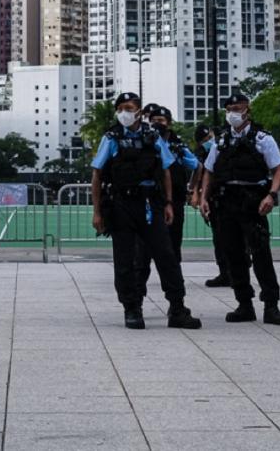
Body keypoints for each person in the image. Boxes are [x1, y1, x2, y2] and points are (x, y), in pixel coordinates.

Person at [90, 93, 202, 331]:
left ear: (139, 111)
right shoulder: (111, 138)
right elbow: (97, 175)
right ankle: (132, 309)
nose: (124, 113)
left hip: (151, 205)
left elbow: (166, 170)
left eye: (128, 108)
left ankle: (177, 308)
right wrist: (97, 212)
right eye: (120, 108)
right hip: (121, 205)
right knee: (125, 260)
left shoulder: (152, 137)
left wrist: (169, 203)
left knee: (167, 257)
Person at [198, 93, 280, 325]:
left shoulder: (262, 139)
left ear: (247, 109)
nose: (232, 113)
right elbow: (208, 170)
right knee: (234, 256)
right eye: (229, 109)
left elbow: (278, 168)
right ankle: (244, 304)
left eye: (237, 108)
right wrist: (203, 198)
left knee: (261, 255)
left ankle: (271, 305)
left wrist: (272, 195)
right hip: (227, 203)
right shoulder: (221, 141)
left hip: (253, 203)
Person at [137, 104, 200, 295]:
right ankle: (138, 292)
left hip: (175, 202)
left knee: (172, 247)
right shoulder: (142, 142)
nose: (158, 124)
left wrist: (192, 189)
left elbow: (197, 165)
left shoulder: (178, 146)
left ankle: (175, 293)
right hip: (150, 201)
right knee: (143, 250)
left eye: (162, 121)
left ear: (169, 124)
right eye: (154, 121)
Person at [193, 124, 232, 289]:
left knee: (234, 238)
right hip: (213, 197)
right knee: (219, 237)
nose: (209, 141)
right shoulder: (200, 155)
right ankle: (225, 273)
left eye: (210, 137)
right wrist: (199, 195)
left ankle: (236, 272)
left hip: (230, 195)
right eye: (205, 140)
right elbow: (199, 174)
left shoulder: (224, 147)